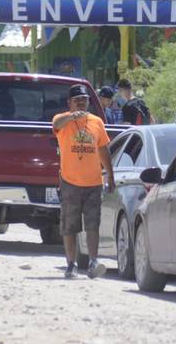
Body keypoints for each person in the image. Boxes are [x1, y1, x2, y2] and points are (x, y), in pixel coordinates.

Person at [53, 84, 115, 279]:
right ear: (69, 103)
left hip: (93, 182)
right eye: (77, 100)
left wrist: (110, 175)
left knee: (92, 224)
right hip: (70, 182)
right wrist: (73, 116)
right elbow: (56, 125)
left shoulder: (97, 122)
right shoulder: (62, 120)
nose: (81, 102)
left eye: (84, 99)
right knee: (69, 226)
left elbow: (103, 149)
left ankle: (93, 262)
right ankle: (70, 265)